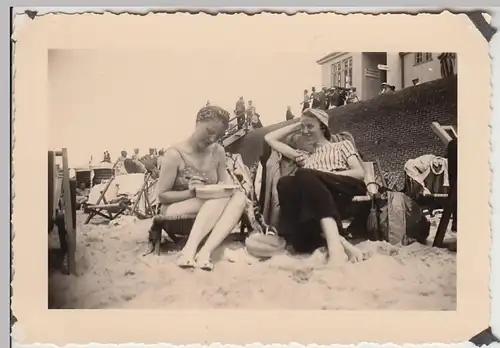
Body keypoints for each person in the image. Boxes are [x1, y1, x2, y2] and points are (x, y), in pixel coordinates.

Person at [264, 108, 369, 265]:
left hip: (344, 188)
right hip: (318, 198)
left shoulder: (341, 146)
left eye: (310, 126)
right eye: (303, 127)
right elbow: (269, 138)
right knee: (285, 182)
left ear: (323, 127)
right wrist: (297, 124)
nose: (305, 131)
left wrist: (320, 173)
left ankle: (335, 249)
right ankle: (343, 244)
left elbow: (359, 173)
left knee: (306, 174)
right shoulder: (305, 156)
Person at [149, 105, 247, 271]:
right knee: (219, 196)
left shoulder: (218, 151)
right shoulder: (175, 154)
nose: (213, 138)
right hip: (175, 213)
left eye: (219, 135)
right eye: (209, 131)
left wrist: (227, 186)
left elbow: (225, 186)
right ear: (197, 123)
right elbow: (162, 196)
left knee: (239, 197)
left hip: (210, 212)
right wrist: (192, 192)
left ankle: (204, 252)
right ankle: (189, 250)